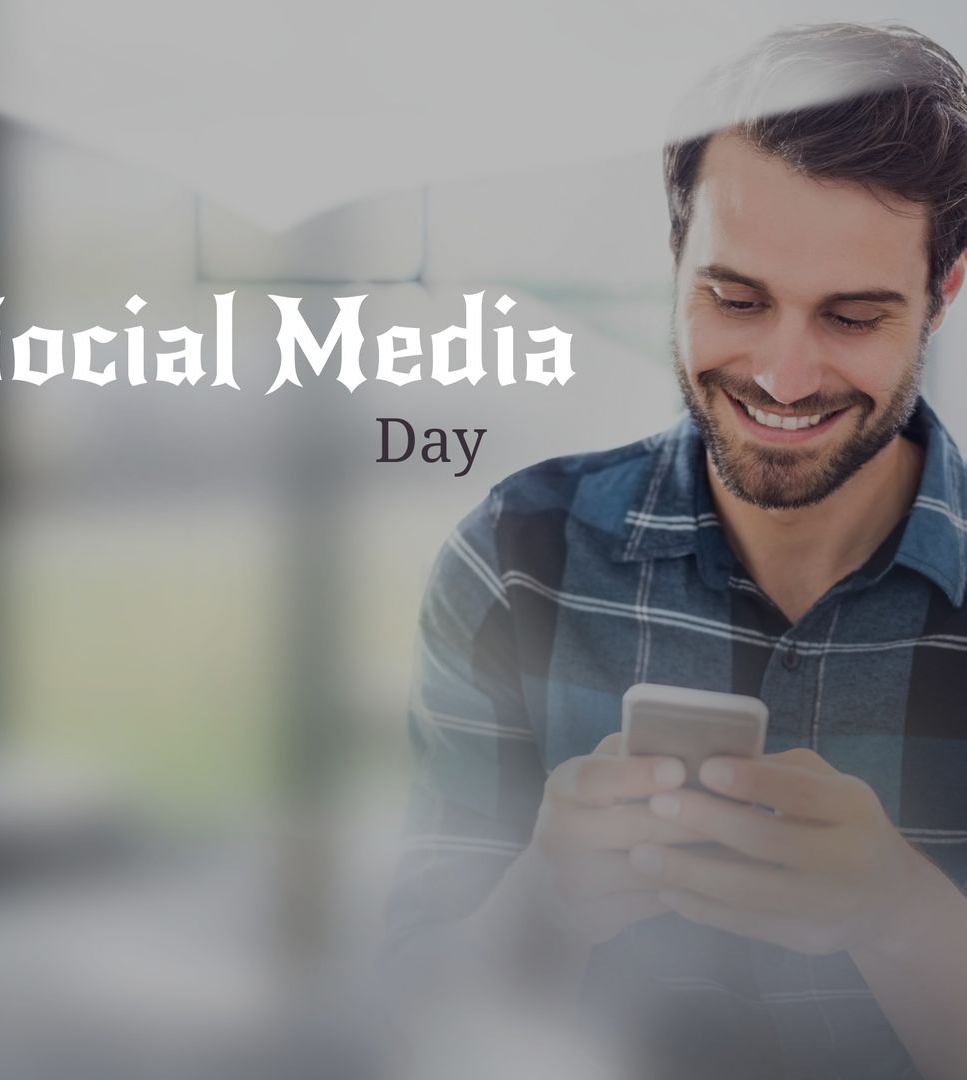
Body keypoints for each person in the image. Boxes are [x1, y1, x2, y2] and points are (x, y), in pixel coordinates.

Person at [383, 22, 967, 1080]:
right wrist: (546, 900)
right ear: (675, 257)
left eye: (851, 318)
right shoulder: (516, 561)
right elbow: (414, 1034)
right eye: (736, 300)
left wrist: (896, 913)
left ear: (944, 293)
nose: (784, 377)